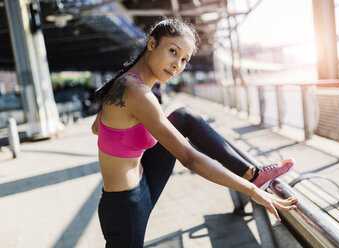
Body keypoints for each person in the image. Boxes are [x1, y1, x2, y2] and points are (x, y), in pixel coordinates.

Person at [91, 18, 298, 248]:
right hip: (125, 207)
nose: (177, 65)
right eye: (172, 51)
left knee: (183, 117)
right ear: (151, 44)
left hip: (143, 182)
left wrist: (124, 127)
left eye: (184, 60)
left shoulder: (128, 83)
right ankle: (252, 182)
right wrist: (251, 192)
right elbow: (189, 158)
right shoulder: (137, 92)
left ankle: (253, 174)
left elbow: (96, 127)